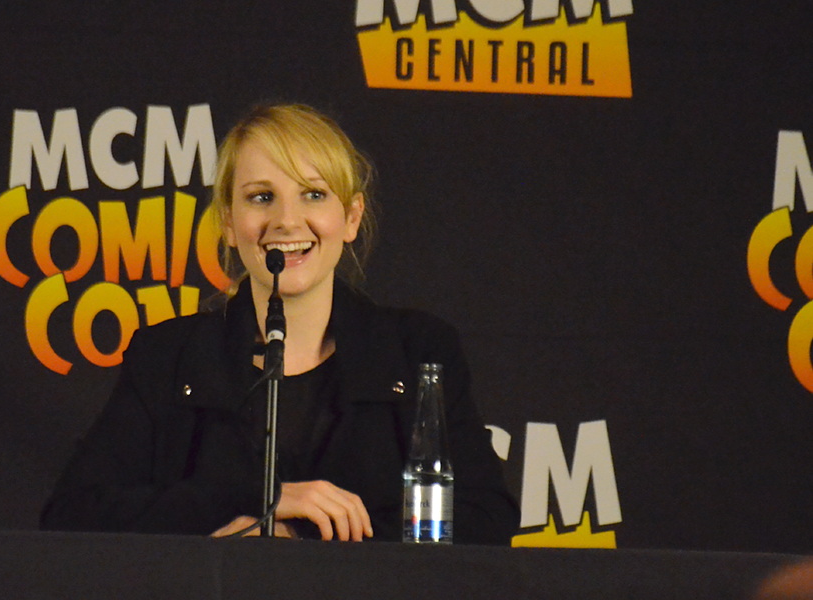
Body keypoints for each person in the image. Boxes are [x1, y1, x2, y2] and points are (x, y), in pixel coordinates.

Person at [41, 103, 519, 544]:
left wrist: (302, 537)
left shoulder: (418, 351)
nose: (287, 221)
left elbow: (483, 519)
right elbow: (73, 514)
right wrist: (255, 498)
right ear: (228, 222)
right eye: (261, 197)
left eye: (313, 194)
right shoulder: (168, 355)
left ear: (351, 218)